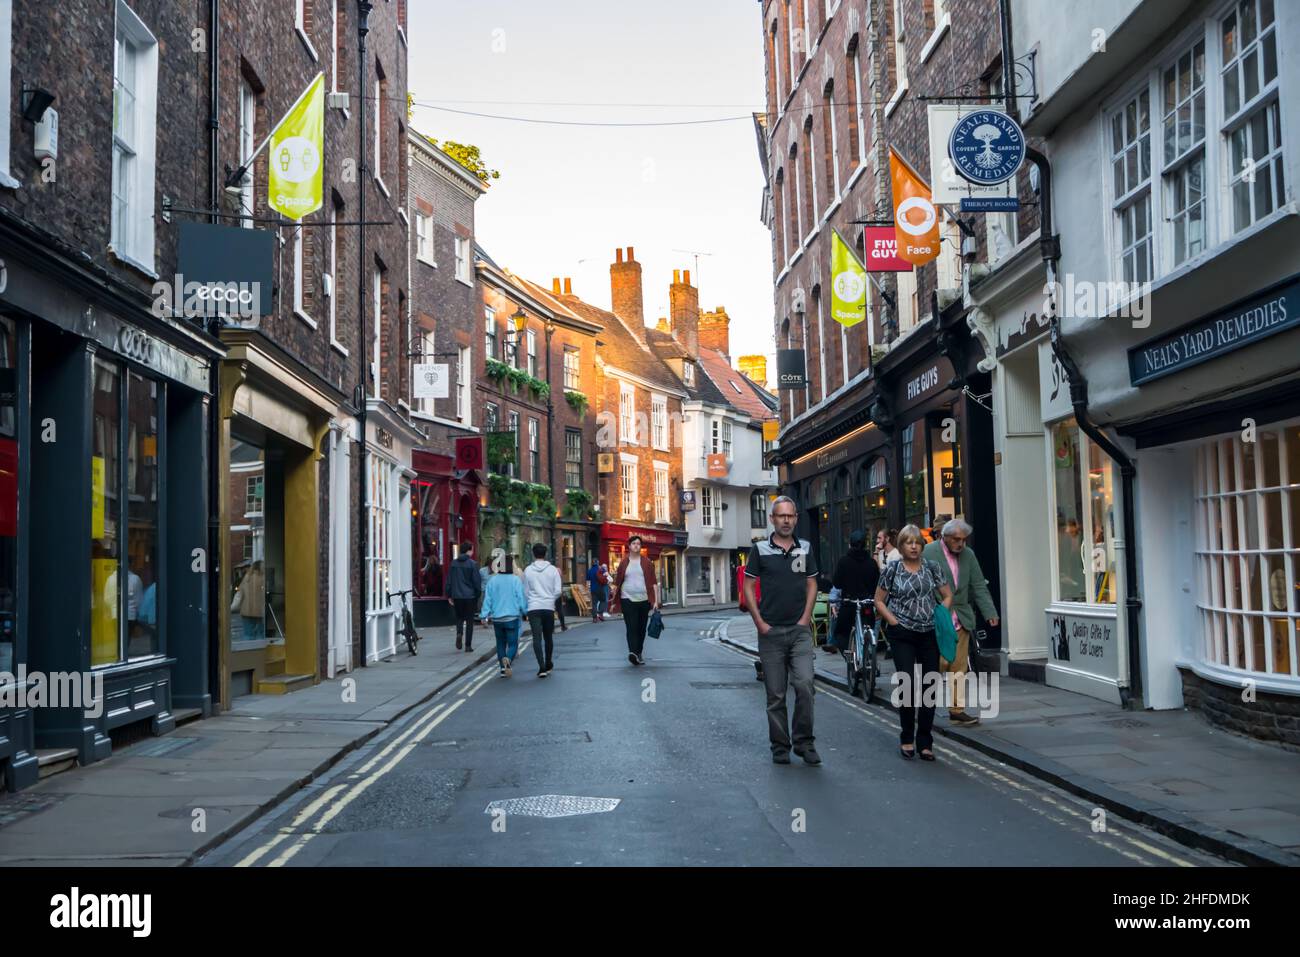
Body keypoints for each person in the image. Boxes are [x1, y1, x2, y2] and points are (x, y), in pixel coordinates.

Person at [743, 495, 821, 766]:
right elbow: (748, 587)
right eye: (781, 516)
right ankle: (780, 746)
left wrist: (805, 618)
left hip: (799, 632)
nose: (786, 520)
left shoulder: (806, 547)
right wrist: (760, 623)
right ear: (772, 519)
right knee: (775, 694)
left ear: (796, 518)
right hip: (771, 633)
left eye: (790, 515)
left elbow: (812, 584)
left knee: (804, 685)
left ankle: (804, 742)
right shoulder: (760, 549)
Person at [874, 525, 954, 762]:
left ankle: (925, 742)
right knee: (907, 685)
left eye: (917, 542)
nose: (913, 546)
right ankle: (907, 737)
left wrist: (941, 613)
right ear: (901, 545)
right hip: (903, 634)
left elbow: (948, 595)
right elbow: (879, 600)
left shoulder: (932, 568)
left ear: (922, 545)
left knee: (930, 686)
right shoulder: (893, 569)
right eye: (908, 542)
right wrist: (893, 622)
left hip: (929, 633)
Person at [922, 518, 999, 727]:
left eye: (963, 540)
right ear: (944, 537)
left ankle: (957, 710)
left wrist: (989, 612)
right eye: (956, 539)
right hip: (937, 618)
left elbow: (978, 586)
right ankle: (923, 706)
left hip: (962, 617)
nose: (960, 544)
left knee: (958, 667)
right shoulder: (928, 552)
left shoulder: (969, 555)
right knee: (938, 664)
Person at [827, 529, 880, 655]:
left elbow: (837, 583)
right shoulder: (871, 563)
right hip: (867, 603)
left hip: (849, 603)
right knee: (869, 626)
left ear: (850, 544)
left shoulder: (844, 561)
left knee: (841, 634)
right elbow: (877, 584)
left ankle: (850, 658)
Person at [611, 536, 658, 665]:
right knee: (631, 627)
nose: (636, 545)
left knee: (641, 628)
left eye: (638, 543)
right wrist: (614, 601)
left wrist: (655, 602)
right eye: (634, 543)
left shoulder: (647, 562)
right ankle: (632, 652)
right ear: (629, 546)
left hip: (644, 600)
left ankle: (638, 652)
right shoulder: (624, 562)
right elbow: (617, 583)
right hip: (627, 599)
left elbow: (654, 583)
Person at [480, 562, 528, 678]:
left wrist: (484, 615)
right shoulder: (515, 580)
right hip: (512, 618)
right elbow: (521, 598)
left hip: (497, 619)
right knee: (513, 644)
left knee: (500, 644)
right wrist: (525, 611)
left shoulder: (492, 580)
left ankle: (502, 668)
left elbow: (488, 600)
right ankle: (508, 659)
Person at [523, 542, 563, 677]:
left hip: (533, 608)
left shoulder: (528, 570)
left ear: (533, 554)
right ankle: (548, 662)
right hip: (548, 608)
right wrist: (550, 599)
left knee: (536, 638)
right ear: (545, 554)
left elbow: (526, 591)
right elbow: (558, 590)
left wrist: (532, 600)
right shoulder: (552, 570)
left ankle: (541, 668)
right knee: (548, 637)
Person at [447, 542, 482, 652]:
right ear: (469, 550)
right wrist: (477, 594)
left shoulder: (453, 563)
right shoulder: (473, 564)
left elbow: (449, 580)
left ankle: (459, 633)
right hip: (470, 596)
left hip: (457, 596)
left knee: (459, 618)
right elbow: (476, 582)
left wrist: (449, 594)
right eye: (472, 550)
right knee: (470, 621)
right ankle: (468, 646)